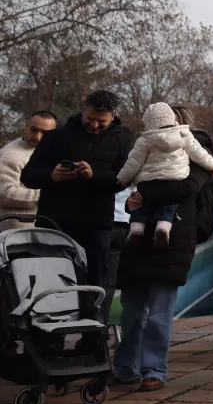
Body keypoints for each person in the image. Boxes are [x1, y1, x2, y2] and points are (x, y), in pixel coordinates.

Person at [23, 89, 136, 309]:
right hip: (55, 221)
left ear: (112, 117)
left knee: (96, 283)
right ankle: (51, 339)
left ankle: (92, 338)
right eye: (90, 119)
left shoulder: (124, 139)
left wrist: (94, 177)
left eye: (101, 122)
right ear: (82, 111)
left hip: (97, 223)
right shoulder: (57, 136)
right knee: (51, 282)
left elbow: (124, 179)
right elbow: (27, 176)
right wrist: (51, 175)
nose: (94, 126)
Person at [112, 151, 213, 391]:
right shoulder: (146, 153)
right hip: (138, 243)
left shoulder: (198, 161)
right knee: (132, 312)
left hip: (172, 244)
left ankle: (154, 369)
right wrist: (132, 202)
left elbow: (184, 190)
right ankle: (126, 367)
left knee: (159, 313)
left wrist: (144, 194)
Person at [115, 103, 213, 246]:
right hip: (152, 236)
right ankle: (154, 229)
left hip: (179, 231)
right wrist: (130, 202)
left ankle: (137, 230)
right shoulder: (186, 142)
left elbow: (187, 188)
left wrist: (130, 185)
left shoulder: (146, 141)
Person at [0, 111, 54, 228]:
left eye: (45, 132)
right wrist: (48, 195)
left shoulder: (50, 151)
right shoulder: (10, 155)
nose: (37, 136)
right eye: (34, 130)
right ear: (26, 128)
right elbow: (5, 194)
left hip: (41, 226)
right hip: (15, 230)